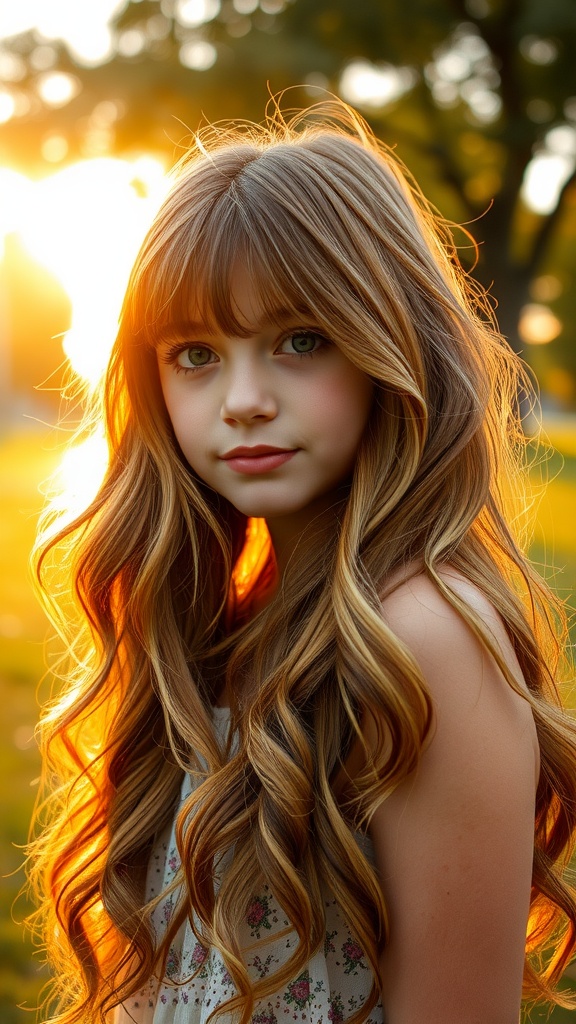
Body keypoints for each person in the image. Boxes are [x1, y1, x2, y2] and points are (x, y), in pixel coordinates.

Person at [29, 96, 576, 1024]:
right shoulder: (223, 613)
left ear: (392, 344)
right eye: (195, 353)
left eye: (300, 340)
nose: (242, 399)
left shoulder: (423, 639)